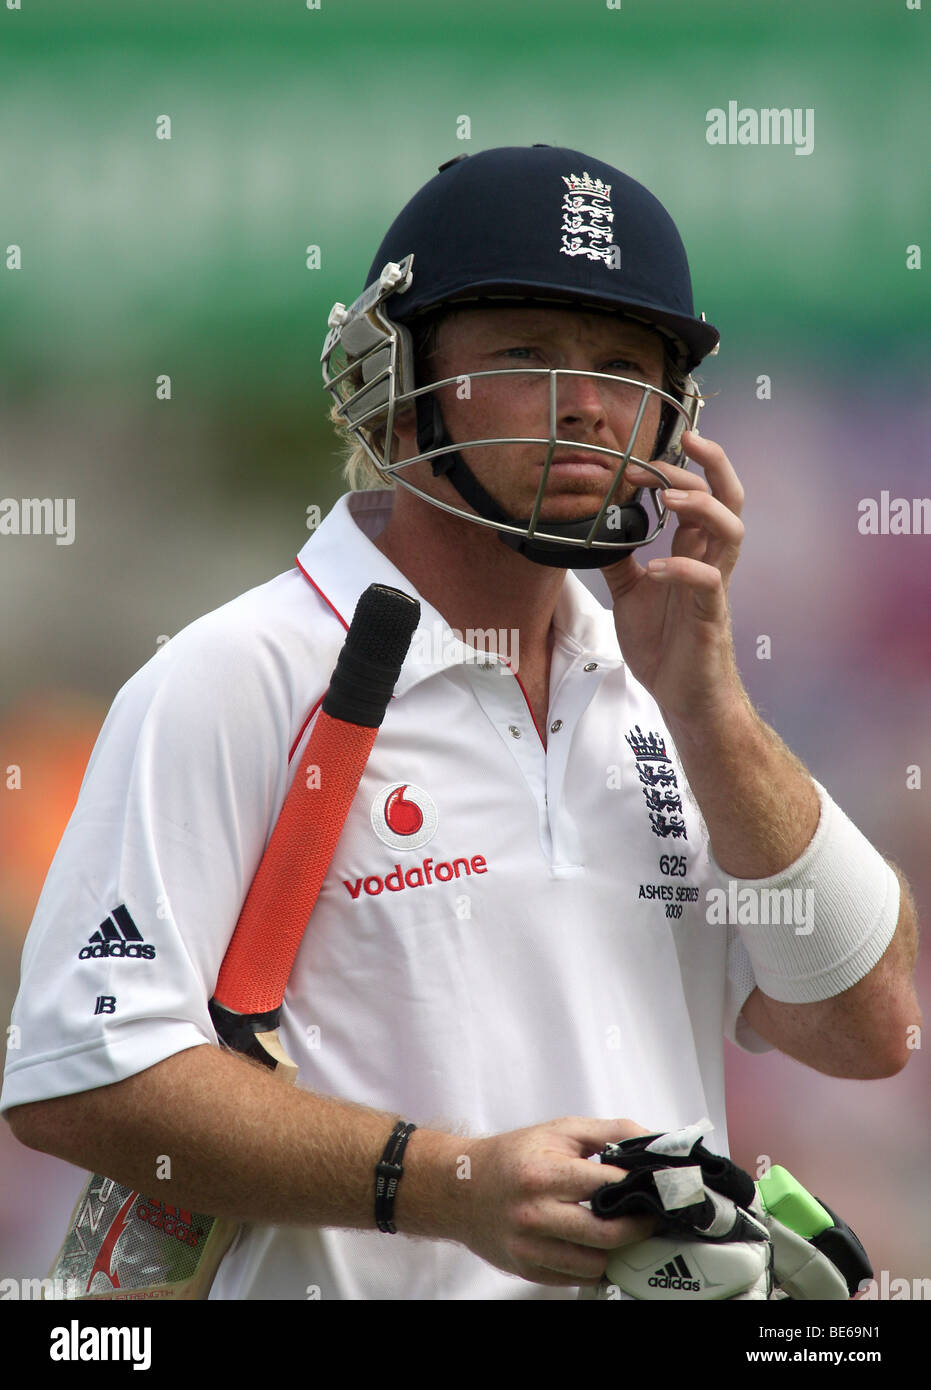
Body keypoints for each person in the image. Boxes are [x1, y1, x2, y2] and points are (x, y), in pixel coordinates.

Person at [1, 145, 919, 1301]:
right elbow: (81, 1075)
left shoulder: (674, 705)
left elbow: (869, 1026)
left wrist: (710, 702)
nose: (585, 405)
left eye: (624, 366)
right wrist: (442, 1182)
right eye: (525, 355)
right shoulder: (235, 676)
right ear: (393, 376)